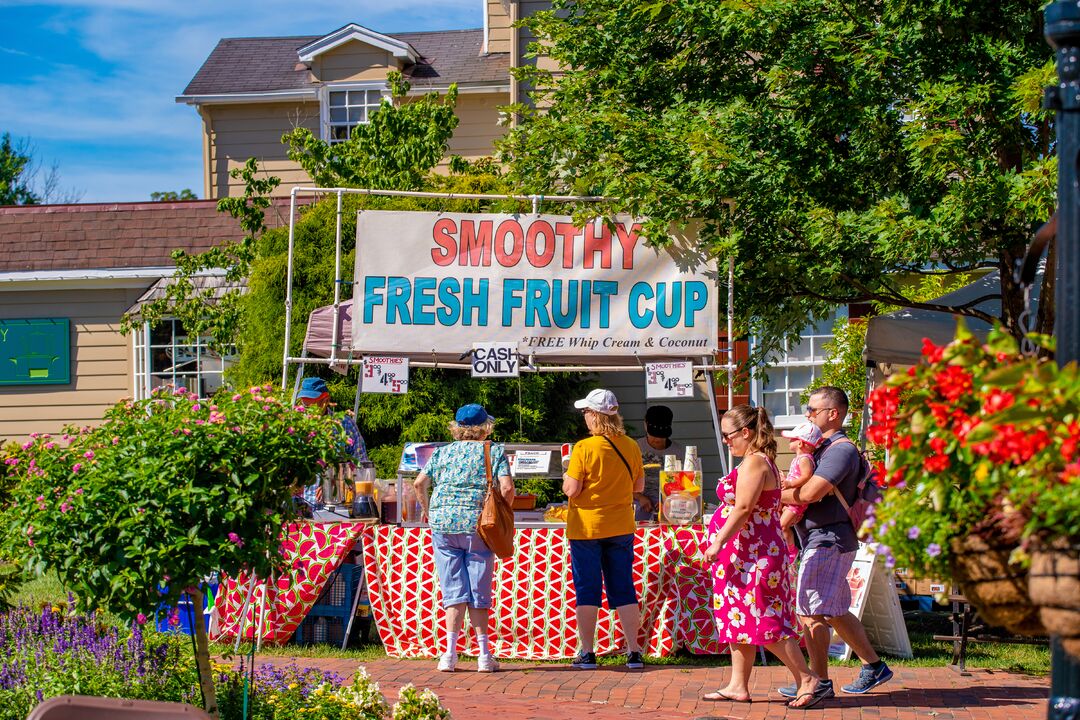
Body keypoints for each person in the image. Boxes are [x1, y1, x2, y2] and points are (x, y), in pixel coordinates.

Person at [702, 404, 822, 707]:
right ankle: (737, 685)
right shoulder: (753, 461)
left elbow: (743, 508)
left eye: (729, 435)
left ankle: (807, 678)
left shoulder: (755, 462)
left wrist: (717, 543)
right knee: (740, 618)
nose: (726, 441)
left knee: (764, 620)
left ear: (746, 432)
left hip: (755, 556)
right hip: (745, 554)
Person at [780, 386, 893, 698]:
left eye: (813, 410)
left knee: (810, 610)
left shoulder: (839, 450)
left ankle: (817, 682)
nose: (808, 415)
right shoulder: (821, 449)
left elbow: (811, 493)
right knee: (833, 609)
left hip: (828, 540)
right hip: (826, 539)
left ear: (833, 414)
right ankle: (874, 667)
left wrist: (774, 494)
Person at [413, 404, 514, 674]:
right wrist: (503, 513)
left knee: (453, 591)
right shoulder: (492, 451)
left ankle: (448, 655)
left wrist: (427, 511)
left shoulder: (442, 452)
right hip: (477, 525)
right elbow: (506, 488)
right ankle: (483, 655)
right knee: (478, 590)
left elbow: (418, 484)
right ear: (485, 427)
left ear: (457, 427)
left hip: (443, 524)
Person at [564, 388, 646, 670]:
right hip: (621, 524)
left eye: (587, 412)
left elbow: (571, 490)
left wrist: (567, 476)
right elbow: (638, 487)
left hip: (586, 527)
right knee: (623, 587)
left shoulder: (584, 448)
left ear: (596, 416)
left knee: (587, 589)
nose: (585, 417)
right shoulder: (631, 446)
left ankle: (587, 652)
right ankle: (634, 650)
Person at [296, 377, 368, 508]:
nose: (307, 410)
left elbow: (360, 464)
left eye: (312, 405)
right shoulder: (295, 426)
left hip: (336, 506)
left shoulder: (345, 424)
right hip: (299, 508)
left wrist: (336, 482)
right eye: (304, 405)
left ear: (326, 400)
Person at [778, 422, 823, 554]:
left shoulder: (804, 459)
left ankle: (792, 551)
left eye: (792, 439)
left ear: (800, 443)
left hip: (797, 501)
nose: (789, 441)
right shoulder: (799, 458)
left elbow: (807, 476)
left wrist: (790, 484)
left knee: (782, 525)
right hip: (792, 496)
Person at [635, 405, 686, 521]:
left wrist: (668, 499)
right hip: (638, 504)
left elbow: (685, 484)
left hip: (670, 507)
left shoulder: (679, 451)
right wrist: (639, 497)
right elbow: (624, 481)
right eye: (653, 434)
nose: (657, 439)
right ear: (645, 424)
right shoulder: (635, 447)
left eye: (661, 436)